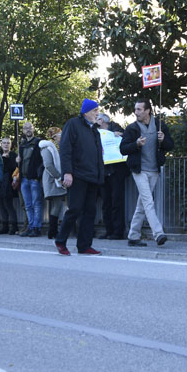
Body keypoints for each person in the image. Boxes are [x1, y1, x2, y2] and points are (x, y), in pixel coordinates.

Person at [120, 97, 174, 247]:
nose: (135, 112)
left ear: (147, 111)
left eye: (139, 109)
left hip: (154, 170)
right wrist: (136, 144)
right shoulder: (132, 128)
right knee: (148, 201)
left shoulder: (159, 125)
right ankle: (158, 234)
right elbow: (123, 149)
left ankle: (133, 236)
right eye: (135, 109)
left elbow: (170, 146)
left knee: (143, 204)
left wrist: (164, 140)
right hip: (139, 170)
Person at [55, 99, 105, 256]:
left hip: (92, 177)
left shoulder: (94, 130)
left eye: (97, 111)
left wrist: (100, 175)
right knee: (75, 209)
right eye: (94, 111)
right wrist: (67, 172)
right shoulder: (73, 124)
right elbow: (65, 149)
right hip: (77, 175)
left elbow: (98, 155)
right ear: (86, 112)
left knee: (90, 212)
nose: (97, 114)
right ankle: (60, 241)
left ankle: (84, 246)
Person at [97, 113, 128, 240]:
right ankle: (108, 230)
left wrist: (120, 135)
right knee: (106, 202)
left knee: (116, 201)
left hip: (116, 171)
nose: (95, 121)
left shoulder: (116, 129)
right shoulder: (96, 133)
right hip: (104, 171)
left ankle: (118, 231)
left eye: (97, 118)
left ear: (103, 120)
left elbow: (127, 140)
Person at [17, 121, 44, 236]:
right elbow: (21, 161)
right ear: (23, 131)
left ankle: (36, 227)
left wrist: (38, 174)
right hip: (24, 178)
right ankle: (31, 226)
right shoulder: (22, 145)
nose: (28, 130)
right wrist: (18, 161)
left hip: (34, 178)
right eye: (25, 128)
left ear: (33, 129)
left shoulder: (39, 143)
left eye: (30, 128)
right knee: (27, 204)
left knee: (36, 203)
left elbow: (43, 161)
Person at [40, 126, 66, 239]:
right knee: (57, 204)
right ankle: (52, 231)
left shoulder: (58, 147)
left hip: (57, 178)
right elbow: (48, 165)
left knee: (58, 204)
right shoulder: (47, 148)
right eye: (60, 135)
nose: (62, 137)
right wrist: (59, 177)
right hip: (53, 179)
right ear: (54, 136)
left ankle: (54, 231)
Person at [0, 136, 20, 234]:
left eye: (8, 143)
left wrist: (6, 159)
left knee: (8, 204)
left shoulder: (13, 155)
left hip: (9, 183)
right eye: (4, 143)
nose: (6, 145)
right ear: (1, 145)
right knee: (1, 205)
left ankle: (14, 226)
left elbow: (14, 168)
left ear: (10, 145)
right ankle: (4, 226)